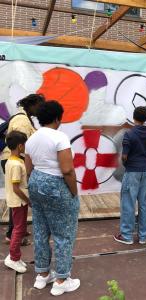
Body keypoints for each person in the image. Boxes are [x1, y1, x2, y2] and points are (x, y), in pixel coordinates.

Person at [25, 101, 80, 296]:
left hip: (36, 183)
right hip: (56, 186)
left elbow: (28, 167)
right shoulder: (60, 137)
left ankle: (42, 275)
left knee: (40, 231)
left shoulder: (32, 138)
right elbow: (67, 170)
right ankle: (61, 279)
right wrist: (73, 193)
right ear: (58, 118)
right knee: (63, 234)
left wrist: (32, 186)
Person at [1, 93, 45, 244]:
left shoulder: (25, 118)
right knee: (18, 197)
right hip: (15, 161)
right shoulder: (22, 120)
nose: (40, 109)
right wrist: (28, 167)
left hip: (17, 160)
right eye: (39, 106)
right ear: (31, 105)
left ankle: (19, 229)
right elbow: (21, 146)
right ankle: (13, 234)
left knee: (20, 195)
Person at [114, 106, 146, 245]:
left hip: (132, 171)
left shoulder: (129, 134)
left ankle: (127, 236)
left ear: (134, 117)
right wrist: (145, 160)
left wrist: (127, 163)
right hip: (145, 171)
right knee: (144, 203)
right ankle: (143, 236)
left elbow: (125, 156)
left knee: (128, 203)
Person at [4, 131, 29, 273]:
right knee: (18, 230)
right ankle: (13, 258)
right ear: (20, 146)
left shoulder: (15, 160)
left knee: (20, 228)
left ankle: (16, 256)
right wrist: (28, 200)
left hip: (20, 202)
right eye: (24, 145)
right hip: (18, 202)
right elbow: (16, 188)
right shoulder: (16, 165)